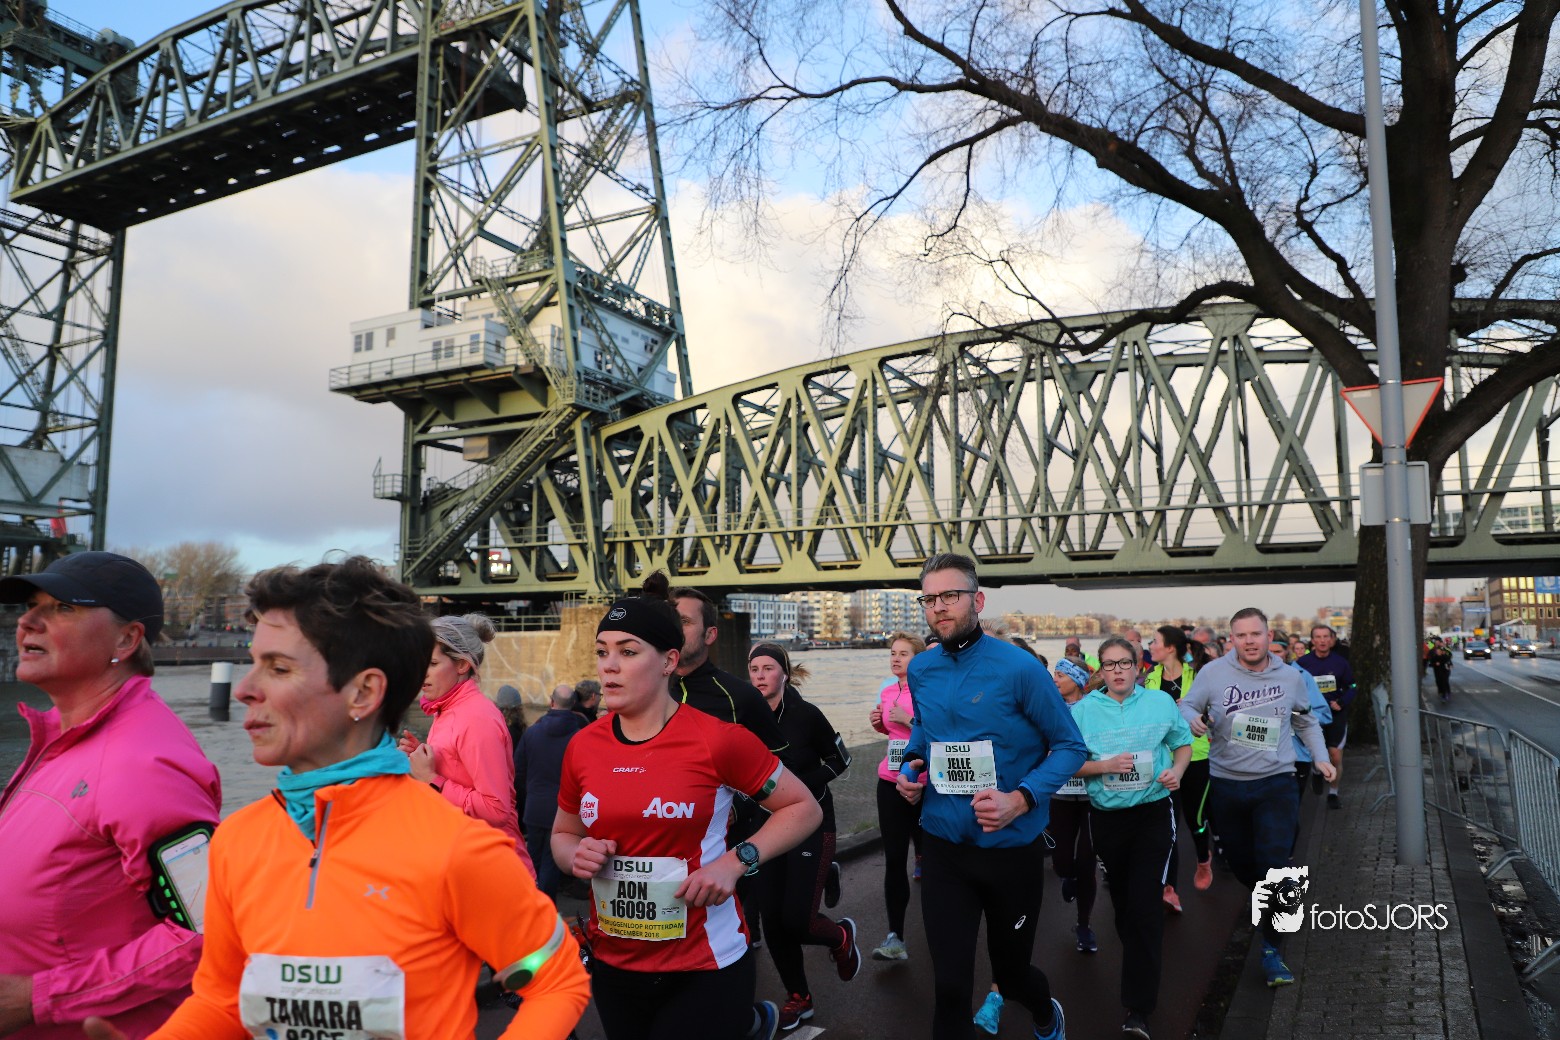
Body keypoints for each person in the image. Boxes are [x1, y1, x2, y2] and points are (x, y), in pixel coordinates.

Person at [85, 556, 590, 1040]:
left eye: (278, 668)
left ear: (363, 693)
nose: (244, 689)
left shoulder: (457, 849)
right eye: (254, 663)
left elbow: (555, 979)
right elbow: (221, 1000)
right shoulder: (237, 842)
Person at [553, 587, 822, 1040]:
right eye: (602, 652)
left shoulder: (719, 740)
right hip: (615, 964)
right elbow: (564, 834)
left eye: (627, 651)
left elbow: (803, 808)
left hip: (705, 963)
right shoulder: (582, 746)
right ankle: (753, 1026)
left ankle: (746, 1022)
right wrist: (575, 856)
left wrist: (736, 862)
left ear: (668, 661)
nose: (609, 665)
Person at [0, 552, 221, 1040]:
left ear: (127, 639)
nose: (27, 622)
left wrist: (39, 998)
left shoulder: (144, 763)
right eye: (31, 605)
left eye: (63, 608)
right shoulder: (65, 738)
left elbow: (205, 931)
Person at [895, 553, 1087, 1040]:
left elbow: (1070, 747)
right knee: (950, 987)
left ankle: (1046, 1011)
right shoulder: (921, 669)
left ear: (977, 601)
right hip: (944, 847)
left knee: (1014, 975)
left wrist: (1020, 799)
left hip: (1010, 851)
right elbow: (924, 730)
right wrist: (911, 765)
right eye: (929, 599)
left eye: (950, 595)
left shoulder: (1020, 669)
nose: (939, 607)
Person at [1179, 607, 1333, 989]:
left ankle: (1271, 948)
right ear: (1232, 639)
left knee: (1274, 863)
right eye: (1241, 635)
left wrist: (1321, 757)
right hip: (1227, 783)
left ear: (1268, 636)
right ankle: (1271, 898)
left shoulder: (1290, 676)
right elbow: (1187, 705)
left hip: (1276, 781)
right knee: (1243, 865)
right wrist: (1192, 719)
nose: (1249, 641)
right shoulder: (1212, 673)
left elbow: (1306, 720)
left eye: (1256, 634)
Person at [1071, 636, 1193, 1040]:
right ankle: (1140, 953)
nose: (1118, 670)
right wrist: (1103, 766)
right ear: (1101, 670)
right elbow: (1067, 764)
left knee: (1144, 907)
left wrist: (1177, 771)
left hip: (1152, 815)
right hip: (1107, 819)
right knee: (1125, 906)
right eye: (1110, 664)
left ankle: (1138, 1008)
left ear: (1138, 666)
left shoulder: (1160, 703)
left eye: (1125, 663)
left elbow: (1182, 745)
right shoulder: (1083, 711)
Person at [747, 643, 857, 1031]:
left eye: (767, 668)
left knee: (797, 919)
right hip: (767, 827)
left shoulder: (807, 715)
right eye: (754, 669)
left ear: (785, 674)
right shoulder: (746, 718)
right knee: (773, 920)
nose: (759, 676)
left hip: (812, 822)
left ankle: (840, 936)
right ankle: (799, 997)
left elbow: (841, 759)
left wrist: (802, 787)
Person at [398, 613, 535, 878]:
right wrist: (424, 756)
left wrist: (431, 779)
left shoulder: (476, 718)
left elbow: (496, 809)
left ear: (461, 665)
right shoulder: (449, 709)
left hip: (495, 873)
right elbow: (461, 770)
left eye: (432, 663)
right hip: (469, 863)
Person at [1144, 624, 1214, 902]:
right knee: (1168, 824)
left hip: (1196, 755)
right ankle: (1169, 888)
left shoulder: (1197, 675)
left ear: (1170, 647)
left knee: (1196, 820)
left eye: (1154, 641)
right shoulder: (1150, 678)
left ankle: (1203, 858)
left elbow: (1217, 707)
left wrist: (1198, 711)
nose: (1150, 646)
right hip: (1164, 757)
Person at [868, 632, 926, 961]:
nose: (896, 658)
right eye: (893, 653)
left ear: (918, 659)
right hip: (890, 780)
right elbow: (893, 733)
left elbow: (939, 732)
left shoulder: (928, 690)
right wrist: (879, 724)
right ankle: (895, 936)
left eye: (904, 653)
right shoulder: (888, 691)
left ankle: (942, 929)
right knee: (894, 859)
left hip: (923, 784)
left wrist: (909, 720)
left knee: (932, 858)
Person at [515, 683, 587, 898]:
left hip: (535, 806)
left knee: (532, 858)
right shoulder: (580, 737)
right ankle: (546, 907)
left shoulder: (531, 732)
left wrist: (527, 795)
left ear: (551, 701)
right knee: (550, 862)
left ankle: (528, 903)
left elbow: (518, 770)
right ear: (573, 704)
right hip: (563, 811)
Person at [1295, 624, 1356, 809]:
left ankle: (1333, 793)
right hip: (1312, 716)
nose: (1322, 640)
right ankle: (1316, 771)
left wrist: (1342, 702)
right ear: (1312, 640)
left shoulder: (1341, 663)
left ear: (1332, 640)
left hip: (1335, 715)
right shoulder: (1303, 663)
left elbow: (1352, 686)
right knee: (1314, 751)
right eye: (1318, 637)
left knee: (1335, 756)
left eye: (1326, 637)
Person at [1428, 637, 1454, 702]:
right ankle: (1442, 691)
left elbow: (1449, 658)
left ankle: (1446, 693)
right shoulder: (1433, 653)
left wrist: (1450, 665)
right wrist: (1435, 663)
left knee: (1445, 681)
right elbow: (1431, 660)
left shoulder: (1445, 653)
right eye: (1437, 652)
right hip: (1438, 670)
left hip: (1445, 670)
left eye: (1439, 651)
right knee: (1439, 680)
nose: (1438, 652)